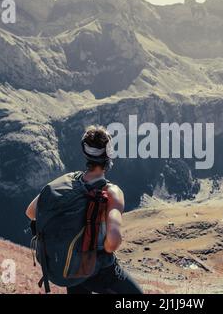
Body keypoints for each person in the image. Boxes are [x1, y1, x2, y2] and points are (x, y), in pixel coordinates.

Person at [25, 125, 143, 294]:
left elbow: (30, 212)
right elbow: (112, 243)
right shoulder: (111, 192)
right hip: (99, 270)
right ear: (109, 156)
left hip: (70, 266)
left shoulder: (67, 180)